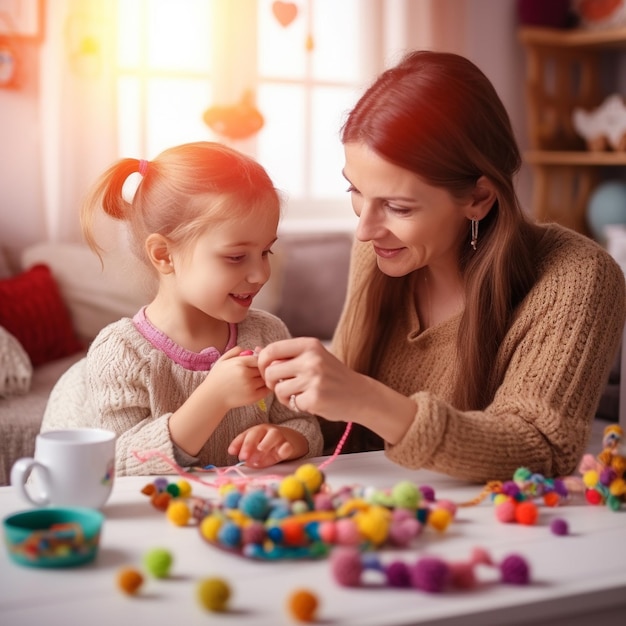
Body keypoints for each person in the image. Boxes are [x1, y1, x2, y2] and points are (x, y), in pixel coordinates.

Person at [257, 50, 626, 483]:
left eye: (397, 206)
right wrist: (294, 430)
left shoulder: (578, 277)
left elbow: (540, 447)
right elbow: (346, 428)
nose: (365, 230)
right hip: (375, 513)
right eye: (354, 190)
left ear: (478, 198)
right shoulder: (380, 252)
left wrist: (367, 399)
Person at [41, 141, 322, 476]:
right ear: (163, 255)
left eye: (266, 252)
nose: (261, 273)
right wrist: (213, 398)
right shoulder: (121, 352)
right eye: (236, 256)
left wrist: (288, 439)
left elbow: (305, 425)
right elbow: (118, 465)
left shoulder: (267, 333)